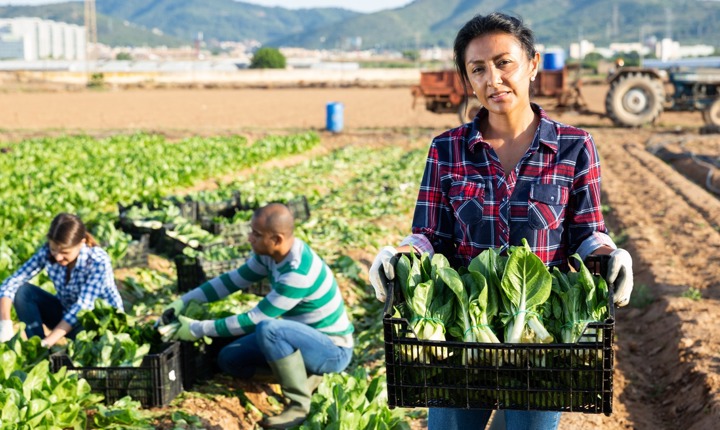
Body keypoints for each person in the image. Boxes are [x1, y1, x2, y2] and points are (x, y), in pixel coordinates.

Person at [368, 12, 634, 430]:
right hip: (462, 336)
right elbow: (429, 235)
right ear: (467, 80)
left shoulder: (574, 146)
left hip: (538, 344)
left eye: (503, 62)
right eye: (478, 69)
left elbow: (585, 234)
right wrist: (398, 253)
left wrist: (611, 253)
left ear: (532, 64)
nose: (493, 79)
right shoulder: (447, 149)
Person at [160, 203, 354, 430]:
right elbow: (231, 281)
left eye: (257, 234)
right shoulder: (269, 255)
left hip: (332, 349)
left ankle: (299, 403)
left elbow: (254, 319)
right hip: (299, 338)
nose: (250, 238)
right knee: (229, 359)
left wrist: (197, 328)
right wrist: (185, 301)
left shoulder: (297, 273)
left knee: (269, 329)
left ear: (277, 239)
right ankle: (303, 375)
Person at [0, 213, 124, 347]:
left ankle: (41, 348)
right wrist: (4, 322)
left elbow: (82, 307)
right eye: (54, 249)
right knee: (23, 291)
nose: (58, 257)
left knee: (98, 341)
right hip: (66, 318)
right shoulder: (47, 252)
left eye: (65, 252)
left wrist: (48, 342)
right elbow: (14, 280)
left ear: (81, 243)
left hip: (98, 327)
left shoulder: (98, 262)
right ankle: (35, 347)